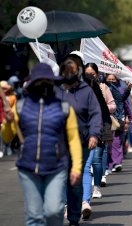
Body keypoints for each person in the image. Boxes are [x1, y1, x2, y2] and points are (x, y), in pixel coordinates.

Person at [2, 63, 82, 226]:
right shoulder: (20, 106)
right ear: (32, 84)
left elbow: (73, 139)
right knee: (34, 216)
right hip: (28, 168)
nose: (43, 85)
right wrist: (9, 123)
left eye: (47, 81)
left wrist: (76, 168)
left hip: (56, 167)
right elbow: (7, 138)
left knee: (54, 211)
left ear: (53, 83)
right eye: (39, 82)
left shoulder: (64, 108)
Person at [56, 54, 102, 224]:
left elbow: (95, 114)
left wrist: (93, 135)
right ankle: (62, 207)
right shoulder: (55, 90)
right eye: (66, 70)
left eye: (73, 70)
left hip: (80, 143)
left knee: (74, 179)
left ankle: (74, 217)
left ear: (79, 72)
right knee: (59, 178)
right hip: (58, 144)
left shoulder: (86, 91)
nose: (70, 73)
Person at [84, 63, 116, 195]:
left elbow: (109, 107)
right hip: (82, 130)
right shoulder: (75, 89)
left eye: (92, 74)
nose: (89, 76)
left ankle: (96, 187)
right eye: (86, 74)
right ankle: (83, 197)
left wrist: (100, 111)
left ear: (97, 74)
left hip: (99, 127)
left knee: (97, 159)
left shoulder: (102, 88)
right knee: (85, 164)